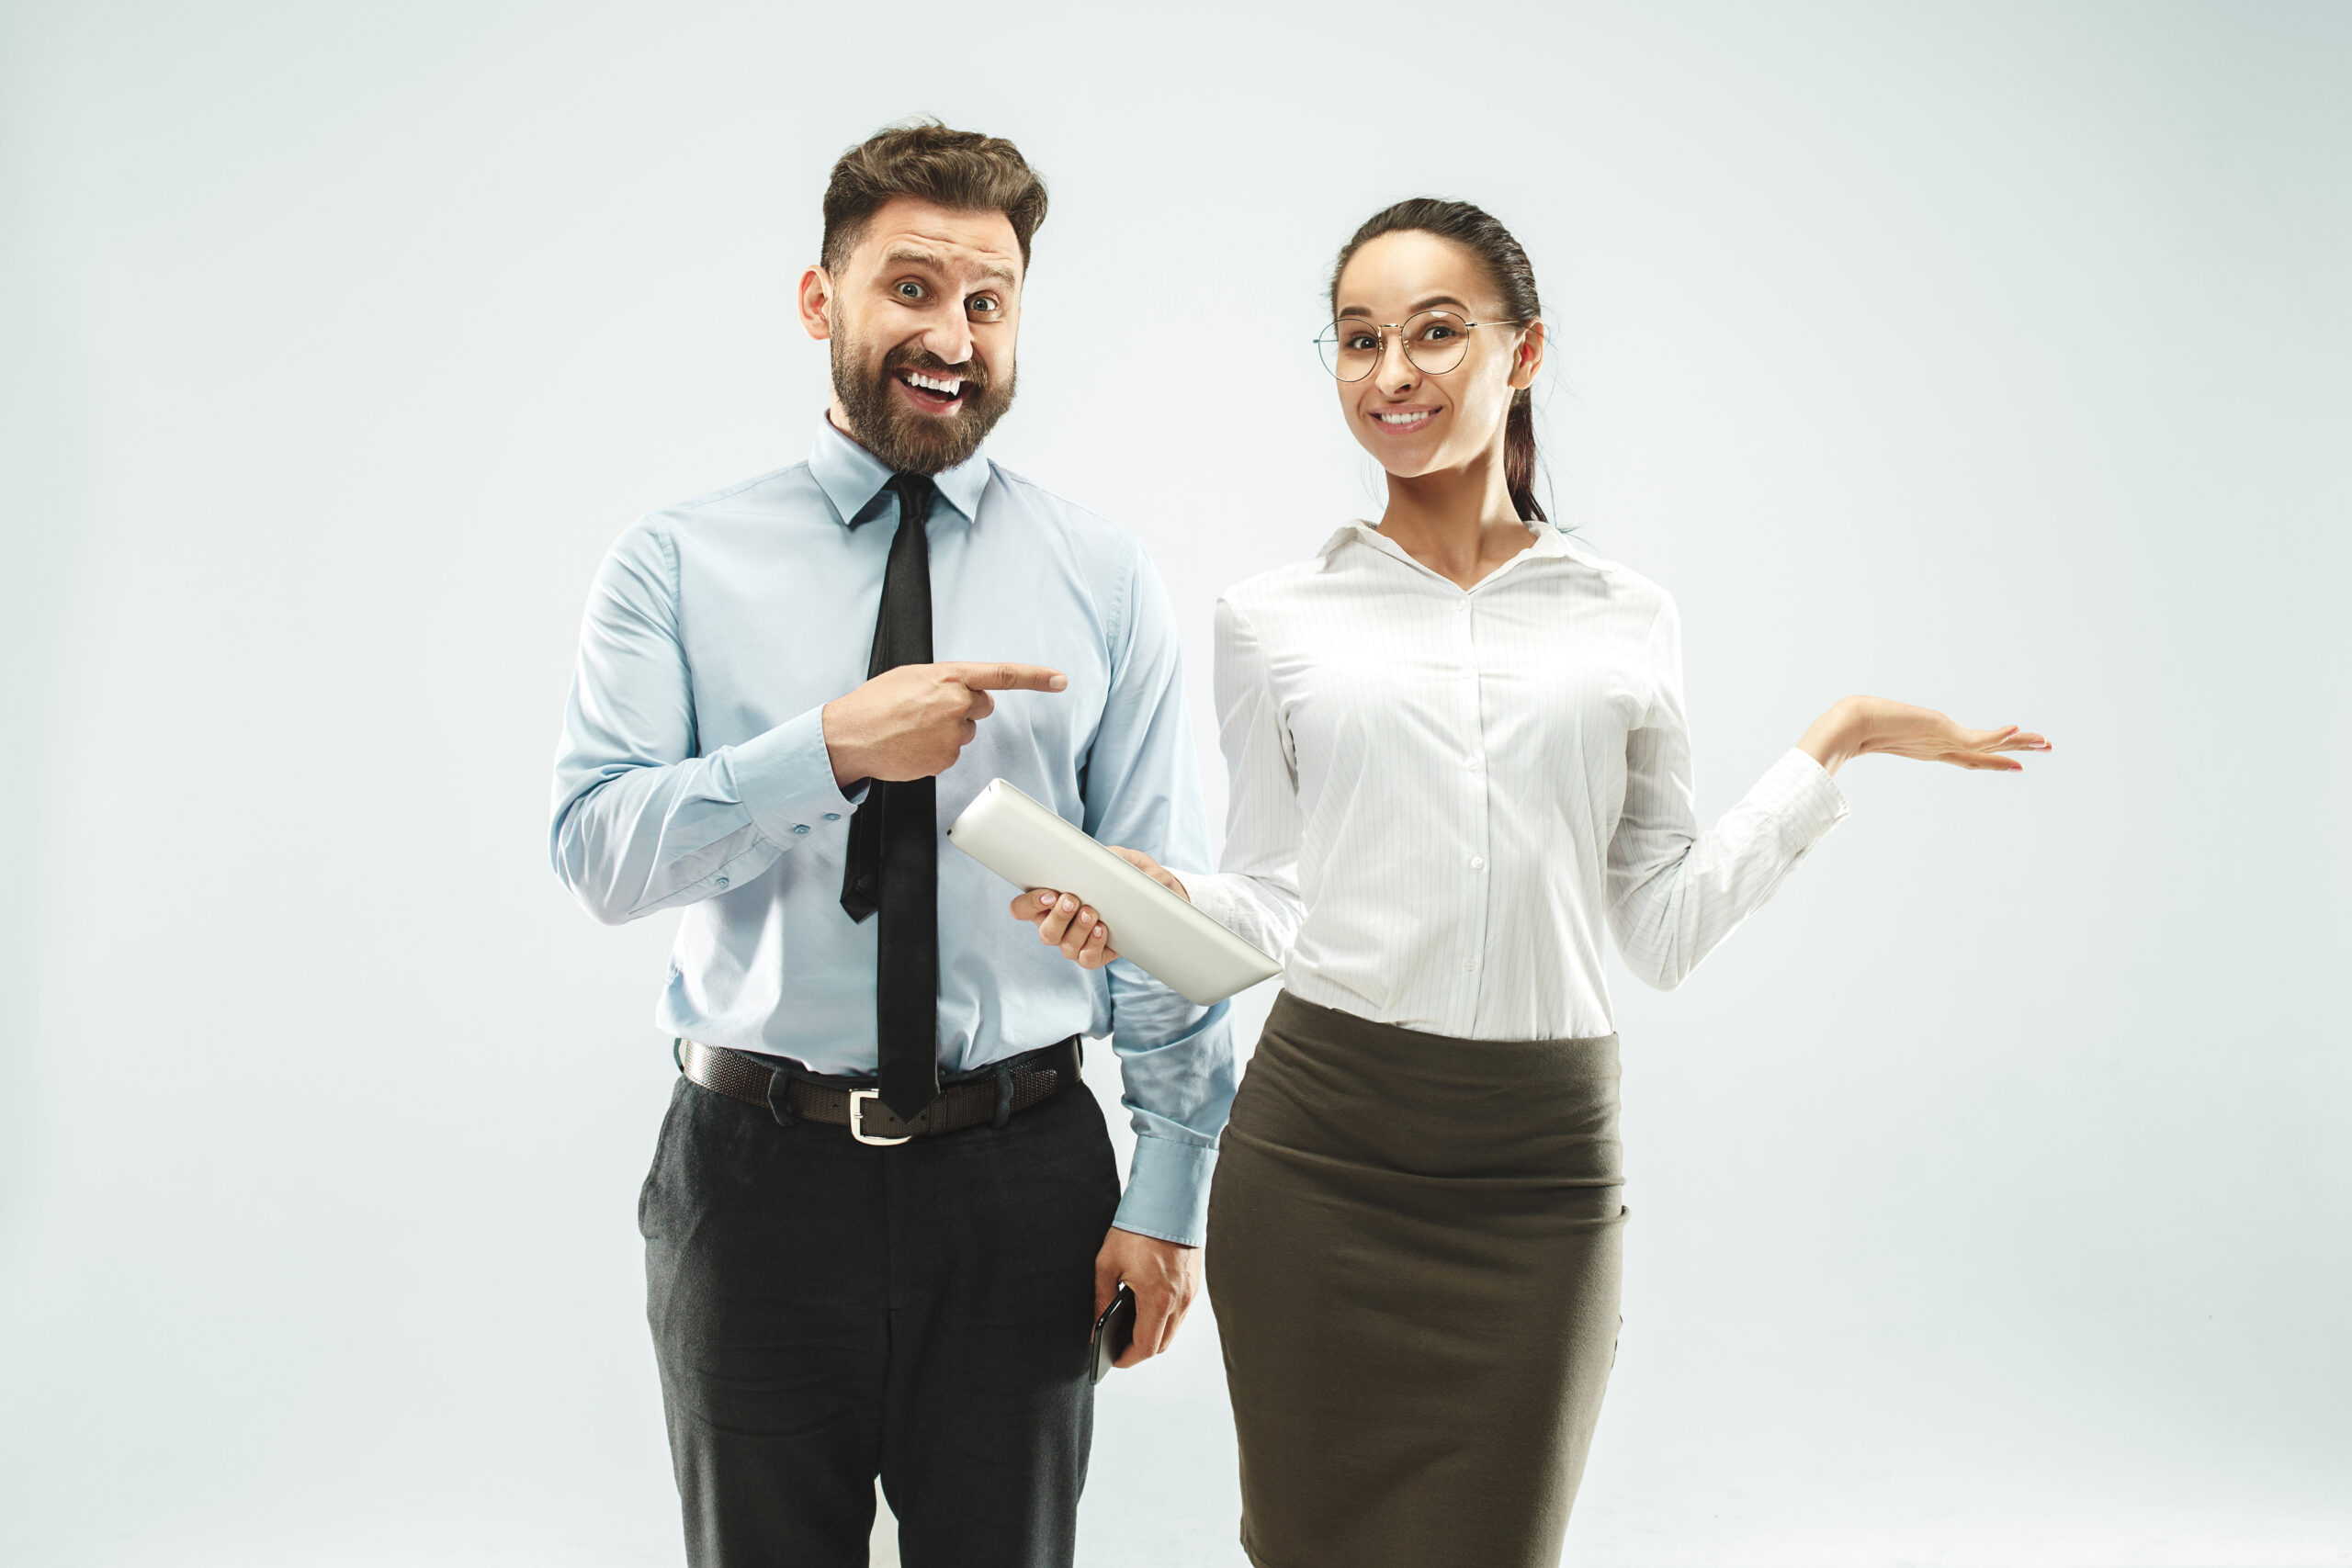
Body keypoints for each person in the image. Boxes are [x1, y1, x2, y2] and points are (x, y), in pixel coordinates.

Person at [1014, 197, 2050, 1568]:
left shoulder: (1626, 617)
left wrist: (1832, 745)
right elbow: (1274, 900)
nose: (1394, 374)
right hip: (1321, 1151)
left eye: (1437, 332)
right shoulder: (1272, 620)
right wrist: (1158, 900)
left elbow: (1661, 926)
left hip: (1540, 1175)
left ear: (1526, 350)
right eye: (1360, 339)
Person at [550, 119, 1236, 1568]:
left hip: (1025, 1179)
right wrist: (830, 750)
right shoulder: (675, 563)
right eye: (912, 290)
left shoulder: (1104, 578)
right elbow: (602, 852)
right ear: (824, 303)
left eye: (988, 302)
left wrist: (1170, 1190)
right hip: (754, 1179)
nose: (953, 334)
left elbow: (1161, 905)